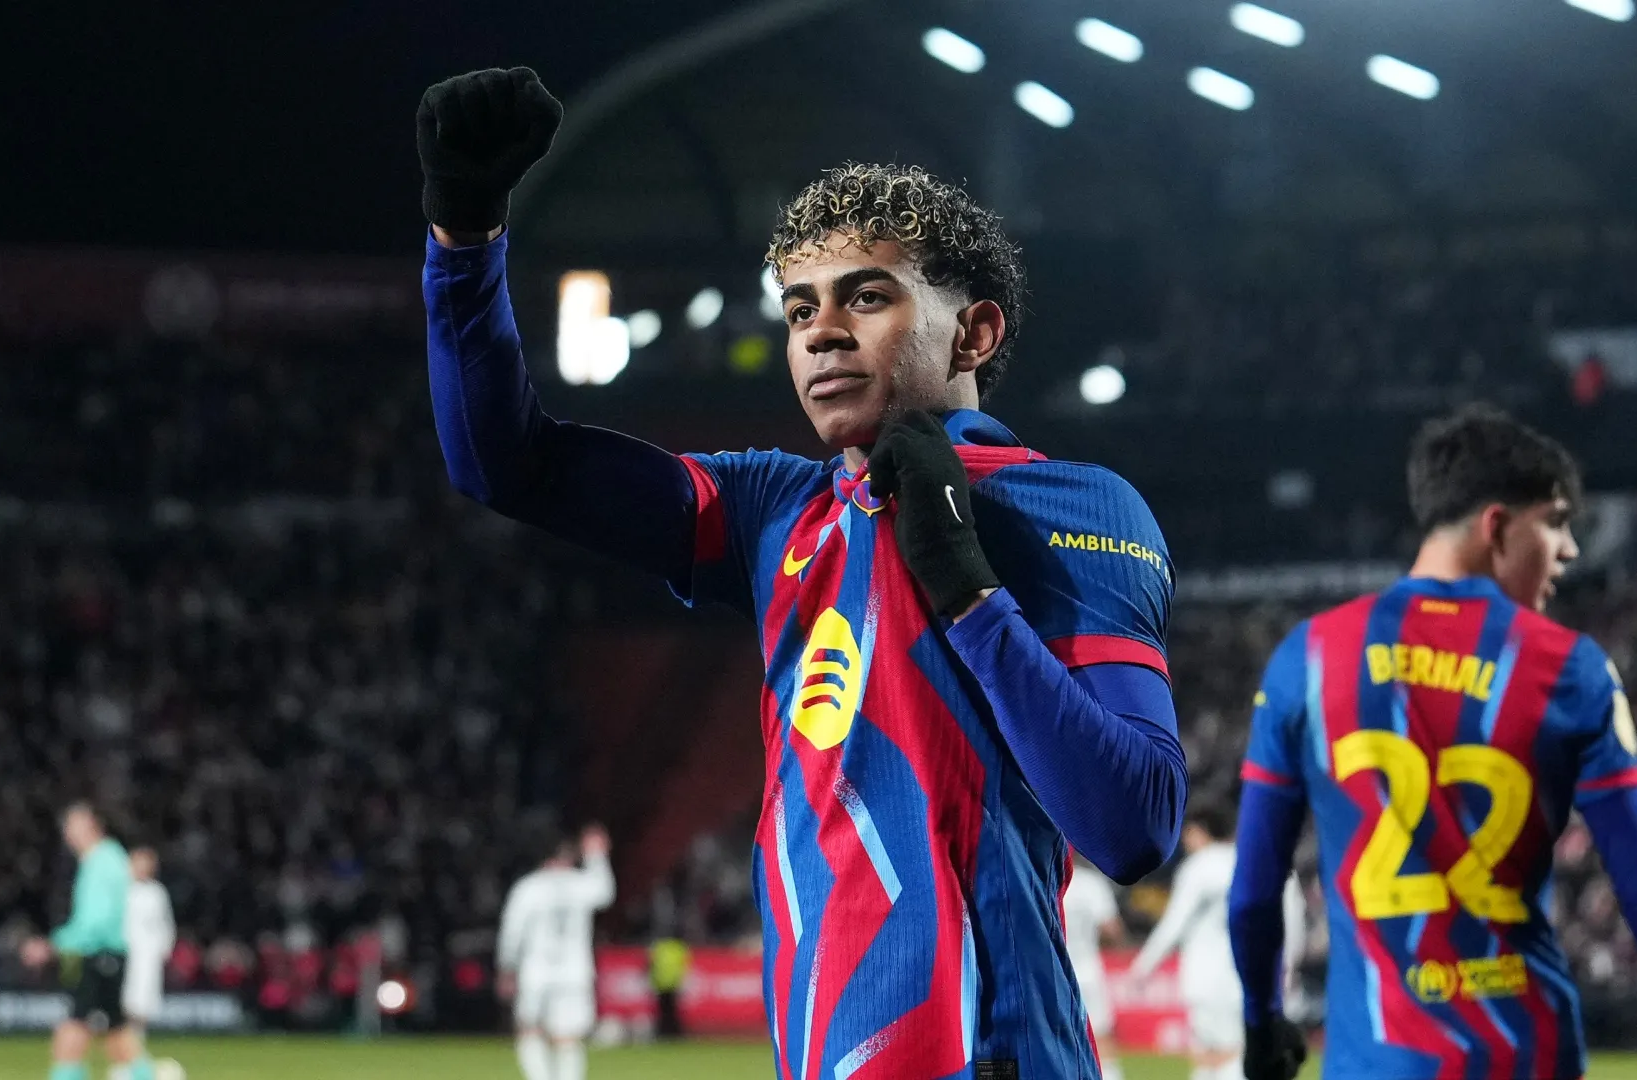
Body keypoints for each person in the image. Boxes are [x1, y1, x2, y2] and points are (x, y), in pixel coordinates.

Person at [415, 67, 1185, 1077]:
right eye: (798, 308)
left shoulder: (1077, 508)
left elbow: (1132, 825)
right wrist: (463, 246)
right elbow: (505, 462)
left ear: (975, 330)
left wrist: (968, 592)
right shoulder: (776, 509)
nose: (821, 329)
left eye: (868, 297)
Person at [1225, 405, 1637, 1080]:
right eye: (1557, 522)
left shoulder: (1307, 658)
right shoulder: (1570, 668)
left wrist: (1260, 1020)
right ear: (1497, 526)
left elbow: (1252, 894)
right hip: (1526, 1056)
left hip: (1378, 1062)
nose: (1569, 550)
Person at [1126, 802, 1305, 1080]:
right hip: (1249, 976)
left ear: (1199, 832)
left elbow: (1174, 923)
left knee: (1215, 1057)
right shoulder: (1258, 862)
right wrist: (1288, 964)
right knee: (1233, 1053)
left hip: (1205, 979)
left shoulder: (1200, 866)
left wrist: (1143, 967)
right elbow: (1292, 915)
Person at [19, 804, 153, 1080]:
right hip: (108, 956)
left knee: (72, 1031)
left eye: (72, 827)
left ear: (91, 826)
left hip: (100, 955)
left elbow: (95, 920)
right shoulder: (105, 858)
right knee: (116, 1034)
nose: (68, 834)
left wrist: (52, 944)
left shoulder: (102, 861)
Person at [498, 825, 616, 1080]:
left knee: (529, 1029)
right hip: (575, 970)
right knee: (568, 1036)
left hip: (536, 970)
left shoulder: (528, 887)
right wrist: (596, 855)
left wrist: (507, 967)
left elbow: (512, 929)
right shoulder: (582, 883)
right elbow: (606, 893)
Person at [1062, 855, 1127, 1080]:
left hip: (1054, 974)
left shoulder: (1043, 875)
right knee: (1102, 1041)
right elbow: (1111, 929)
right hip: (1088, 971)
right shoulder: (1091, 883)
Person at [112, 847, 174, 1080]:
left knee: (142, 1010)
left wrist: (162, 950)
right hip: (124, 956)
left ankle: (135, 1059)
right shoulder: (121, 890)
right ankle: (123, 1063)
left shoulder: (157, 892)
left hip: (147, 959)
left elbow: (165, 924)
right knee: (123, 1009)